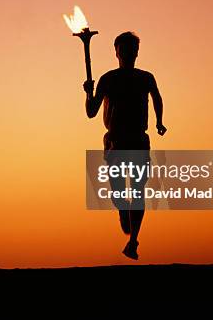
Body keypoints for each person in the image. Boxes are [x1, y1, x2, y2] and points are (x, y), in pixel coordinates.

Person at [83, 31, 167, 260]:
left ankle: (133, 242)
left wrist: (159, 121)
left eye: (133, 49)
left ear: (137, 52)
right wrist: (88, 93)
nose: (129, 53)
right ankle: (123, 208)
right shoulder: (108, 79)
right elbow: (91, 112)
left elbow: (157, 97)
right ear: (117, 52)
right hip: (115, 142)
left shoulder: (146, 77)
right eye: (124, 49)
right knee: (119, 195)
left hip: (139, 139)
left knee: (138, 192)